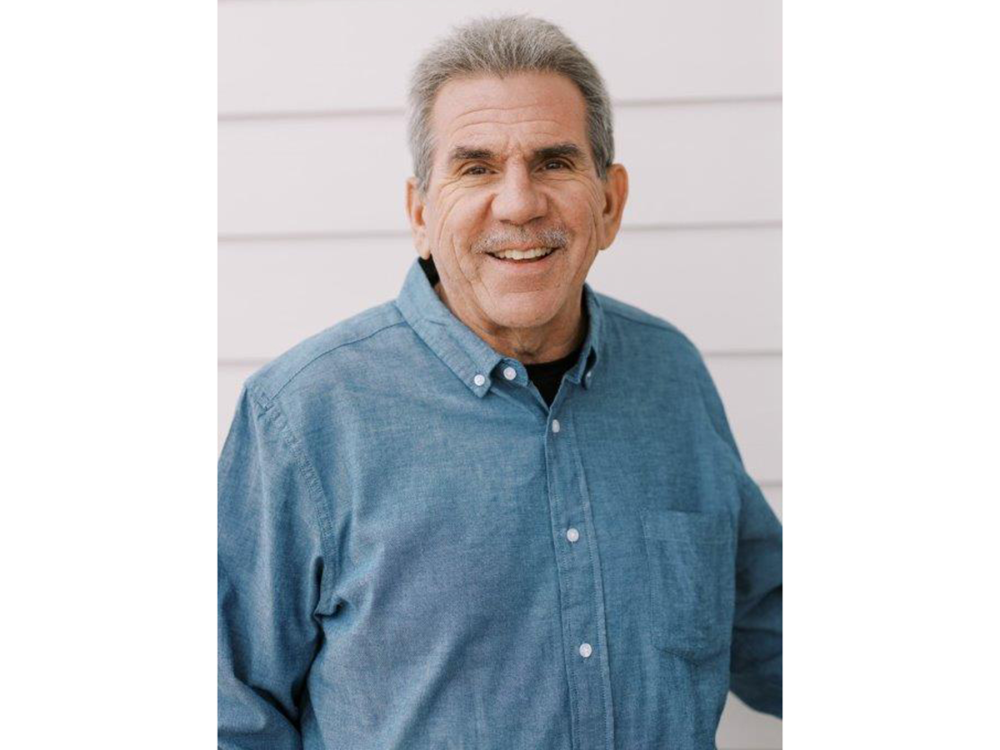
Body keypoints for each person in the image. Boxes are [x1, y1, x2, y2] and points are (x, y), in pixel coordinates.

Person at [218, 14, 782, 750]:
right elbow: (228, 714)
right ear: (421, 212)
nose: (519, 203)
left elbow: (767, 627)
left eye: (553, 162)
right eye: (477, 167)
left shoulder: (671, 376)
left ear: (609, 203)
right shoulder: (302, 418)